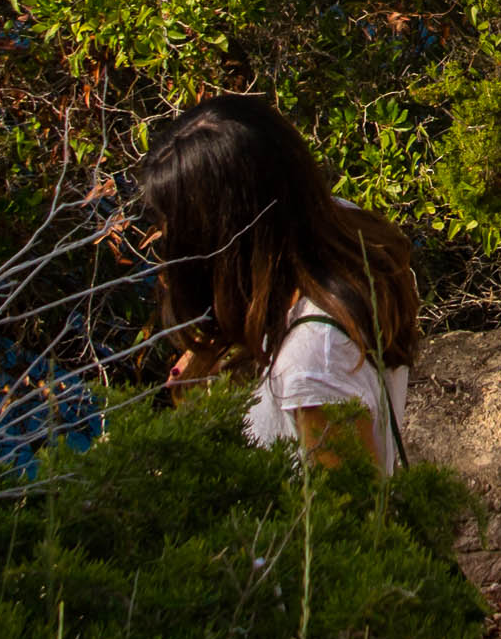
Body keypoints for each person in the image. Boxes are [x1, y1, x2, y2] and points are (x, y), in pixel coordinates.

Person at [132, 93, 421, 474]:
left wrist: (205, 425)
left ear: (222, 233)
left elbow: (353, 522)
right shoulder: (347, 235)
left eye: (176, 223)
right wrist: (221, 345)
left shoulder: (312, 365)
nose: (165, 234)